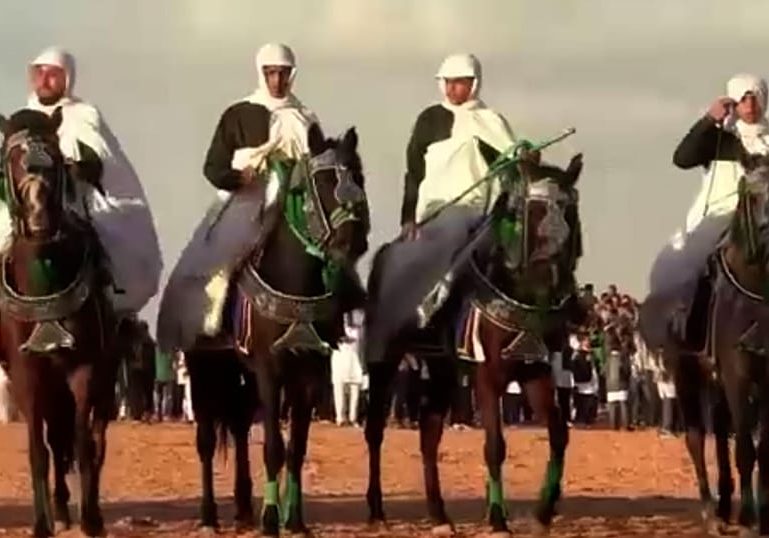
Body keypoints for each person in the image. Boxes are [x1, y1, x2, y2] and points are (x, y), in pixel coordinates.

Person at [156, 43, 320, 353]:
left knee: (327, 256)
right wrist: (237, 178)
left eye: (283, 73)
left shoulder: (304, 119)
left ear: (292, 75)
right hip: (248, 200)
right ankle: (210, 326)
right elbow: (213, 167)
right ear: (261, 73)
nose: (277, 80)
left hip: (295, 202)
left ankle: (332, 329)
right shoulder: (238, 114)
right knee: (213, 261)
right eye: (270, 73)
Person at [22, 46, 162, 318]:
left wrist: (76, 167)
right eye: (40, 73)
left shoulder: (84, 114)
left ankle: (111, 307)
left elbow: (100, 160)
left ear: (67, 78)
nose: (45, 80)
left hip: (77, 197)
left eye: (53, 74)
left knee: (105, 238)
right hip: (29, 201)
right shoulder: (23, 119)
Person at [644, 74, 769, 350]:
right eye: (743, 99)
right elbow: (682, 158)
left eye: (755, 98)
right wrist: (708, 120)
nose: (750, 105)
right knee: (693, 265)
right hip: (723, 215)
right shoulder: (720, 139)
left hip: (764, 217)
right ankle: (692, 333)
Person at [400, 52, 516, 238]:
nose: (451, 88)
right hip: (431, 213)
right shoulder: (430, 119)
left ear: (473, 83)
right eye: (447, 82)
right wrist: (408, 219)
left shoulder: (491, 121)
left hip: (477, 213)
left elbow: (512, 161)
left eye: (458, 82)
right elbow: (414, 172)